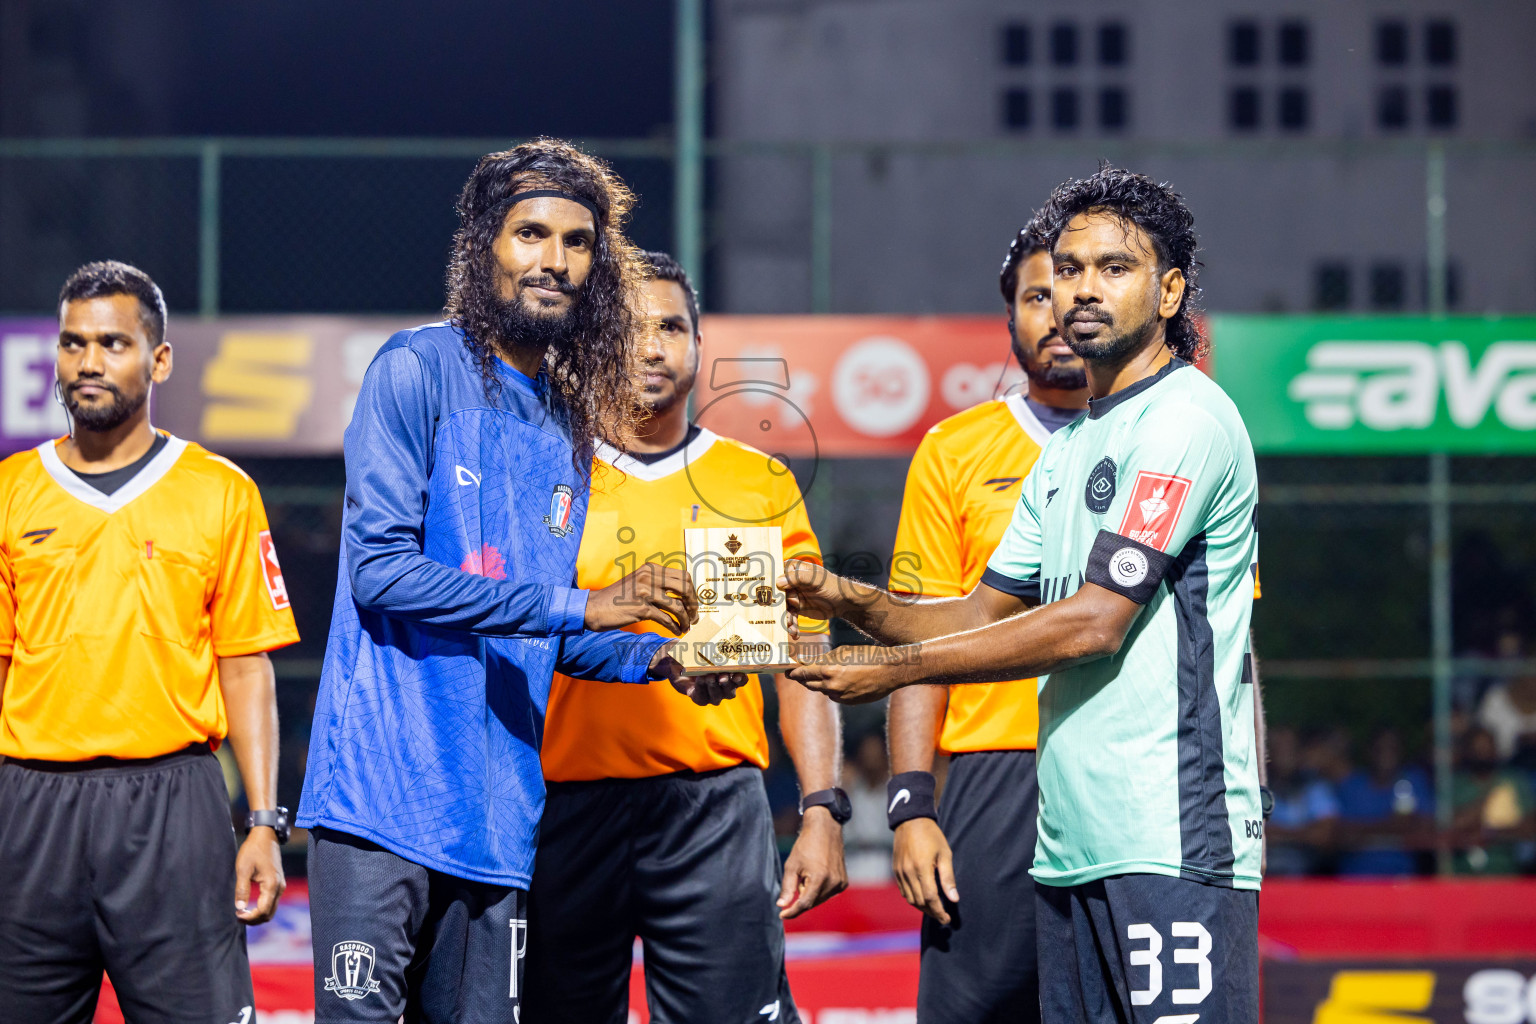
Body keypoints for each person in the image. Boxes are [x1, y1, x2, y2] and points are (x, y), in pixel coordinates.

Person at [782, 167, 1264, 1023]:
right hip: (1069, 847)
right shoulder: (1070, 446)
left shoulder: (1187, 418)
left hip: (1169, 837)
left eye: (1113, 268)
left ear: (1169, 291)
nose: (1081, 289)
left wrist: (891, 668)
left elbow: (1092, 624)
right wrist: (841, 595)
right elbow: (976, 611)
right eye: (1069, 269)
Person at [297, 142, 742, 1024]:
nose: (556, 260)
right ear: (482, 246)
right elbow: (380, 572)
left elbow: (543, 623)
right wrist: (581, 603)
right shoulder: (415, 367)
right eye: (531, 233)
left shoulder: (567, 425)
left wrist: (658, 662)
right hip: (383, 801)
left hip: (498, 820)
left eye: (578, 243)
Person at [524, 250, 845, 1024]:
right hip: (558, 808)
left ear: (700, 346)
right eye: (629, 328)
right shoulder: (540, 478)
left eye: (671, 325)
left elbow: (801, 660)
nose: (652, 346)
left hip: (714, 810)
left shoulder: (757, 482)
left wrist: (824, 809)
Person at [0, 261, 299, 1024]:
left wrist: (263, 823)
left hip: (175, 807)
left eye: (112, 343)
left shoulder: (220, 491)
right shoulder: (10, 492)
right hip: (29, 808)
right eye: (73, 344)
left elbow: (246, 662)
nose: (89, 362)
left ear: (158, 359)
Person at [882, 214, 1087, 1023]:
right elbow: (917, 642)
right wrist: (912, 805)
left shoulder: (1177, 435)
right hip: (996, 777)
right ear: (1009, 319)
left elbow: (1229, 646)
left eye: (1075, 289)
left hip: (1134, 772)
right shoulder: (953, 451)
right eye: (1038, 294)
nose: (1060, 311)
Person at [1334, 729, 1434, 876]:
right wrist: (1392, 826)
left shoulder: (1413, 781)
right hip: (1355, 878)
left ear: (1402, 752)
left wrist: (1363, 831)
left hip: (1401, 876)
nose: (1386, 754)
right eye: (1379, 749)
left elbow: (1424, 826)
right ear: (1369, 752)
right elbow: (1339, 832)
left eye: (1392, 748)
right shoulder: (1351, 785)